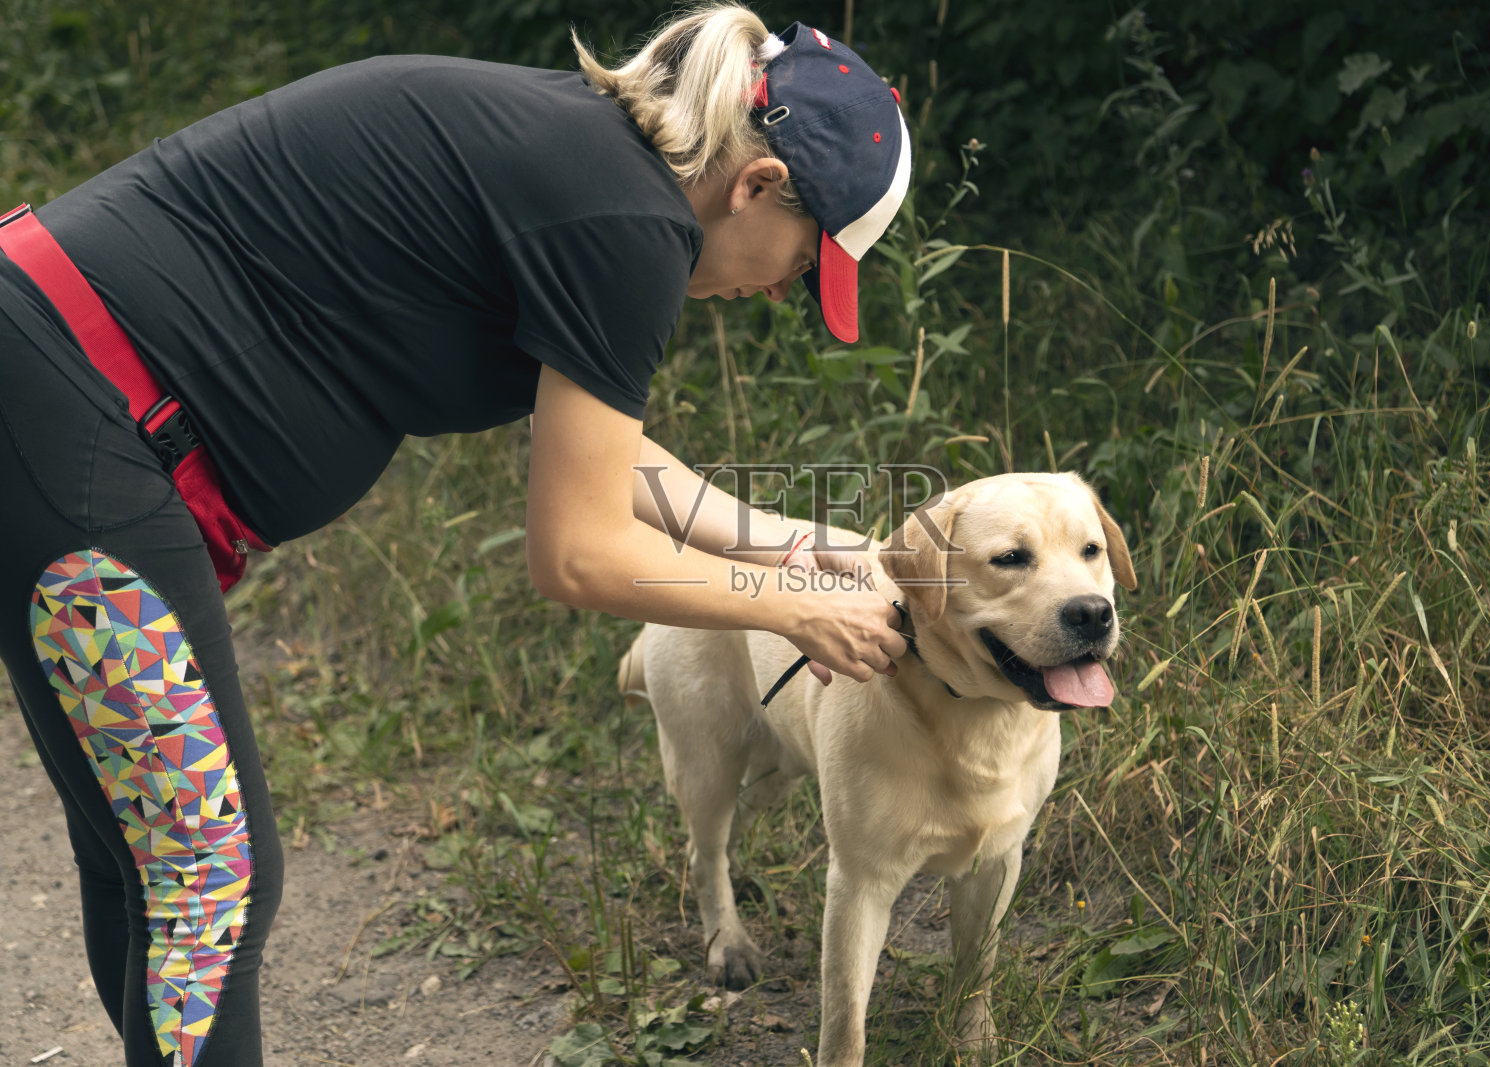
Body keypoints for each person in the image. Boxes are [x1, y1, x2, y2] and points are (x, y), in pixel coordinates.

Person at [0, 5, 911, 1064]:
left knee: (153, 862)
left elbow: (609, 461)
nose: (773, 292)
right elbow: (575, 551)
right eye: (802, 265)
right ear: (755, 186)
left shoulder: (585, 162)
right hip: (74, 423)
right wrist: (796, 609)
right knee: (205, 869)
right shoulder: (628, 225)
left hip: (55, 396)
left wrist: (793, 546)